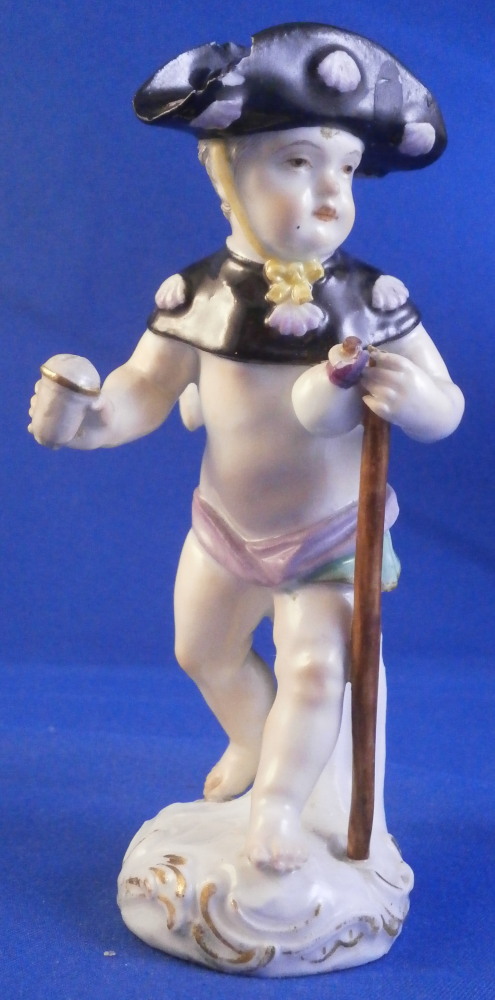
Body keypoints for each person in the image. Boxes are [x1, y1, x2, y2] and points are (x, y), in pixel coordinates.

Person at [28, 24, 464, 874]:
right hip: (225, 527)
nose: (329, 193)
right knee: (201, 651)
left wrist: (415, 399)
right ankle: (253, 741)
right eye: (297, 163)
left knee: (314, 671)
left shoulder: (372, 302)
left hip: (329, 536)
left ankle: (278, 810)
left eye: (344, 169)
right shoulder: (194, 296)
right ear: (224, 172)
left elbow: (445, 404)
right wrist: (83, 419)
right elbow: (143, 390)